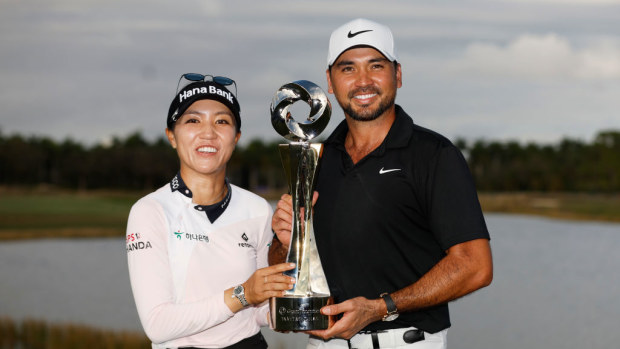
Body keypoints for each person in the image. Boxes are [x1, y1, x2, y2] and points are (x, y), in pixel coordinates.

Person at [270, 19, 493, 349]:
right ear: (330, 81)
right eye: (348, 69)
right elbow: (280, 272)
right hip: (324, 344)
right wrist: (286, 243)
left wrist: (380, 308)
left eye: (376, 66)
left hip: (404, 341)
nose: (363, 81)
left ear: (398, 75)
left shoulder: (434, 155)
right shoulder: (315, 161)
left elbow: (475, 266)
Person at [127, 73, 296, 349]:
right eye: (193, 120)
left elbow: (259, 309)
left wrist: (292, 313)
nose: (208, 132)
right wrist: (243, 294)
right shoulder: (149, 211)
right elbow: (157, 325)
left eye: (222, 121)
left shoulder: (257, 208)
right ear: (171, 136)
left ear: (236, 137)